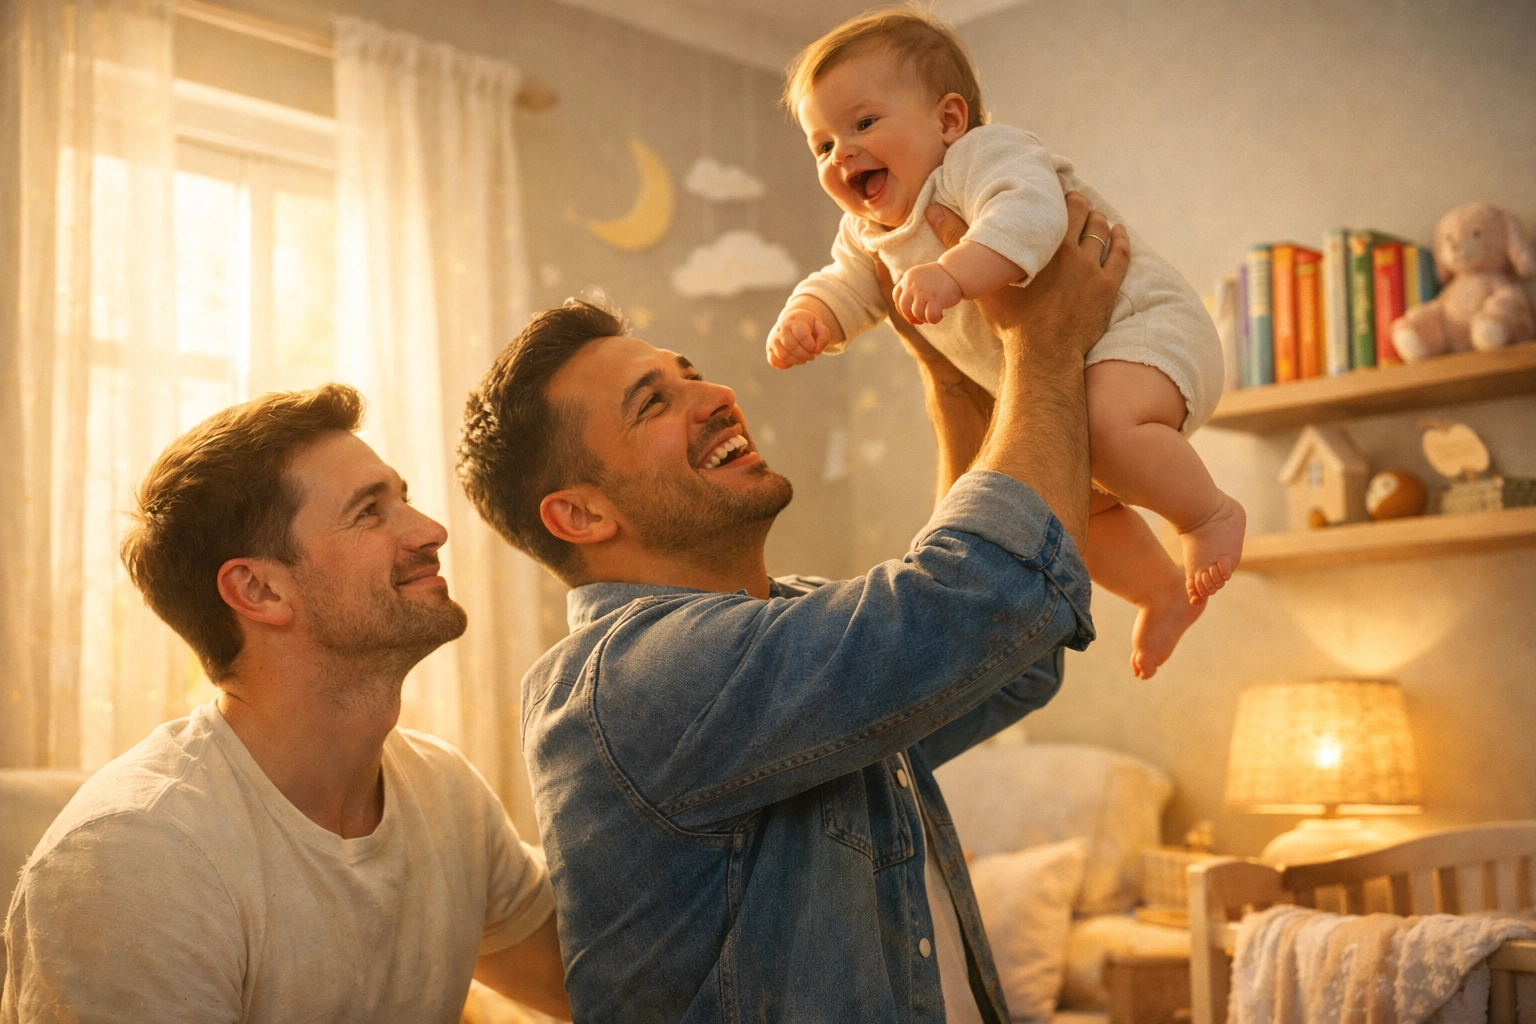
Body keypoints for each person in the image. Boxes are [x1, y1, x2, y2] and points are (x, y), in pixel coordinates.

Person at [455, 192, 1125, 1022]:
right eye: (652, 403)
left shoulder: (779, 624)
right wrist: (1042, 340)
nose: (716, 395)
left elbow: (996, 659)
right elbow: (979, 599)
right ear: (583, 515)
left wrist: (951, 376)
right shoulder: (633, 678)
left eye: (688, 373)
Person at [2, 386, 570, 1024]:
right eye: (369, 512)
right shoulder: (133, 857)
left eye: (402, 498)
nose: (431, 530)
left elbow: (602, 987)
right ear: (259, 589)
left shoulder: (445, 794)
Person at [767, 9, 1245, 679]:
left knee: (1107, 425)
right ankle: (1159, 590)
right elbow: (848, 284)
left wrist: (953, 270)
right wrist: (811, 315)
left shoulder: (979, 159)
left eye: (864, 123)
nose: (840, 153)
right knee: (1068, 503)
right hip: (1074, 374)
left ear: (949, 120)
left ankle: (1207, 515)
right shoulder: (867, 233)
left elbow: (1032, 213)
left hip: (1145, 329)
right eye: (822, 145)